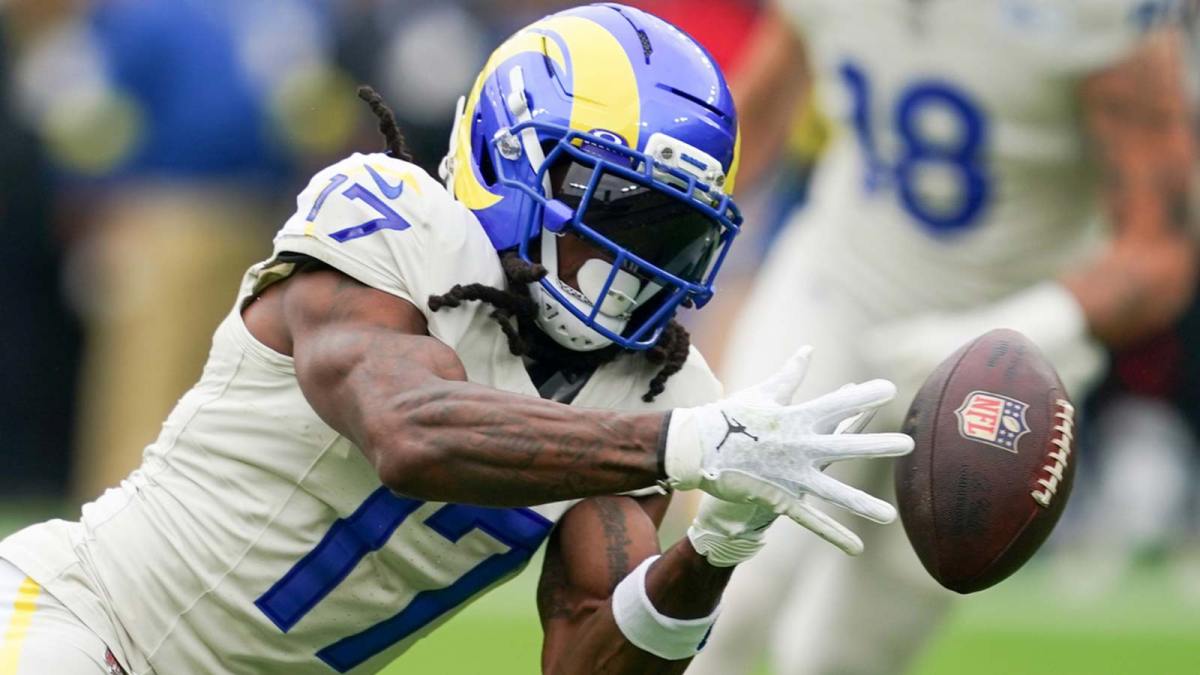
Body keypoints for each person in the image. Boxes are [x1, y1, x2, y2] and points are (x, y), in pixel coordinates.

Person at [0, 5, 913, 674]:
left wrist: (711, 553)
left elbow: (589, 652)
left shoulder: (658, 390)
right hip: (82, 621)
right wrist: (690, 447)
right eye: (609, 211)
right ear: (511, 159)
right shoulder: (384, 216)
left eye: (666, 232)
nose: (629, 265)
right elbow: (408, 430)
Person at [689, 2, 1199, 674]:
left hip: (1011, 360)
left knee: (844, 653)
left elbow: (1165, 245)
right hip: (837, 297)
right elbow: (759, 113)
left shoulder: (1095, 15)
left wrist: (1027, 328)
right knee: (729, 587)